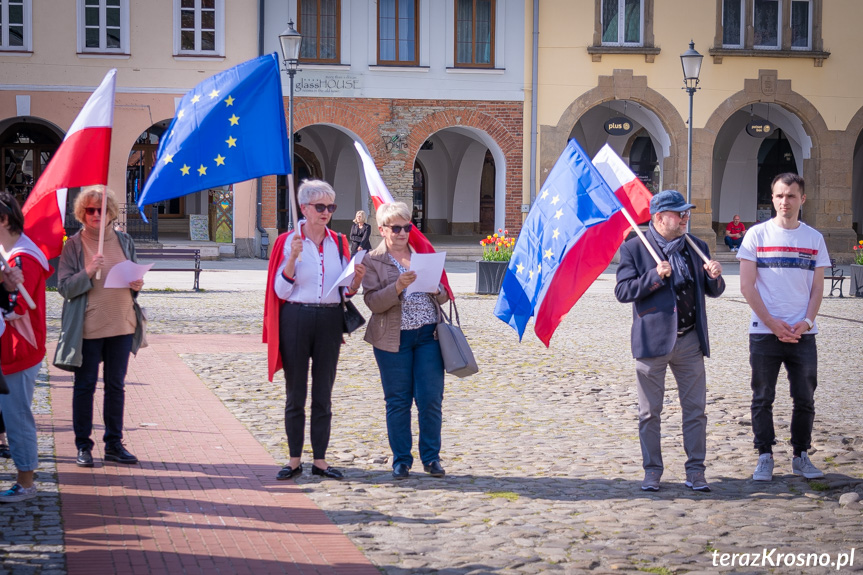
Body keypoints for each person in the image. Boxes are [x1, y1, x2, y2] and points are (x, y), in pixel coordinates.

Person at [615, 190, 725, 493]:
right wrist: (654, 276)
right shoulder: (635, 248)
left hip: (690, 341)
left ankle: (696, 471)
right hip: (652, 344)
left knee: (696, 411)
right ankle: (652, 471)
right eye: (680, 214)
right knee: (650, 413)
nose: (685, 218)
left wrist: (715, 276)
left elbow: (714, 290)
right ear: (659, 218)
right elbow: (623, 292)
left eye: (686, 212)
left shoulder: (696, 246)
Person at [265, 180, 366, 481]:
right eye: (320, 207)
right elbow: (280, 291)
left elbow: (346, 291)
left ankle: (320, 460)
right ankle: (294, 459)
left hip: (329, 321)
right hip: (296, 316)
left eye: (330, 207)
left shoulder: (338, 241)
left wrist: (357, 280)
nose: (326, 212)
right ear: (304, 208)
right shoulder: (287, 241)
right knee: (296, 392)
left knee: (324, 392)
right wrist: (293, 259)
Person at [738, 173, 830, 482]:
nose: (784, 201)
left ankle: (800, 456)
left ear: (802, 199)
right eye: (779, 195)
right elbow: (747, 286)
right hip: (764, 332)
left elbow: (817, 288)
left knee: (804, 398)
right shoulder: (756, 236)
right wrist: (772, 322)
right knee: (762, 397)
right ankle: (764, 455)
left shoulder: (813, 238)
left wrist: (805, 323)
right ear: (772, 198)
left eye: (790, 196)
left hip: (802, 334)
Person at [54, 187, 146, 468]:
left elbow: (132, 278)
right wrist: (88, 271)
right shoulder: (73, 244)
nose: (96, 214)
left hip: (122, 322)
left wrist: (137, 285)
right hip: (88, 327)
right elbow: (65, 287)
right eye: (90, 210)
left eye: (101, 209)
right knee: (85, 387)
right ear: (82, 213)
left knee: (116, 386)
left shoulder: (124, 240)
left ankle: (114, 444)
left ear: (111, 212)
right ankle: (83, 445)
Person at [362, 201, 449, 480]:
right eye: (396, 228)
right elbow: (373, 303)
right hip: (392, 338)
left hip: (428, 336)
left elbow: (446, 295)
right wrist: (397, 286)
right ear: (382, 229)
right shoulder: (372, 260)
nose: (402, 233)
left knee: (430, 399)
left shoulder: (423, 254)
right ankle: (401, 459)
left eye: (407, 227)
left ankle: (431, 457)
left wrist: (438, 290)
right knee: (398, 401)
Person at [0, 191, 51, 503]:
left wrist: (5, 287)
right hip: (10, 346)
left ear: (3, 220)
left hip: (21, 348)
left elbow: (17, 309)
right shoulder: (11, 253)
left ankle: (26, 480)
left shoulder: (23, 258)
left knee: (17, 415)